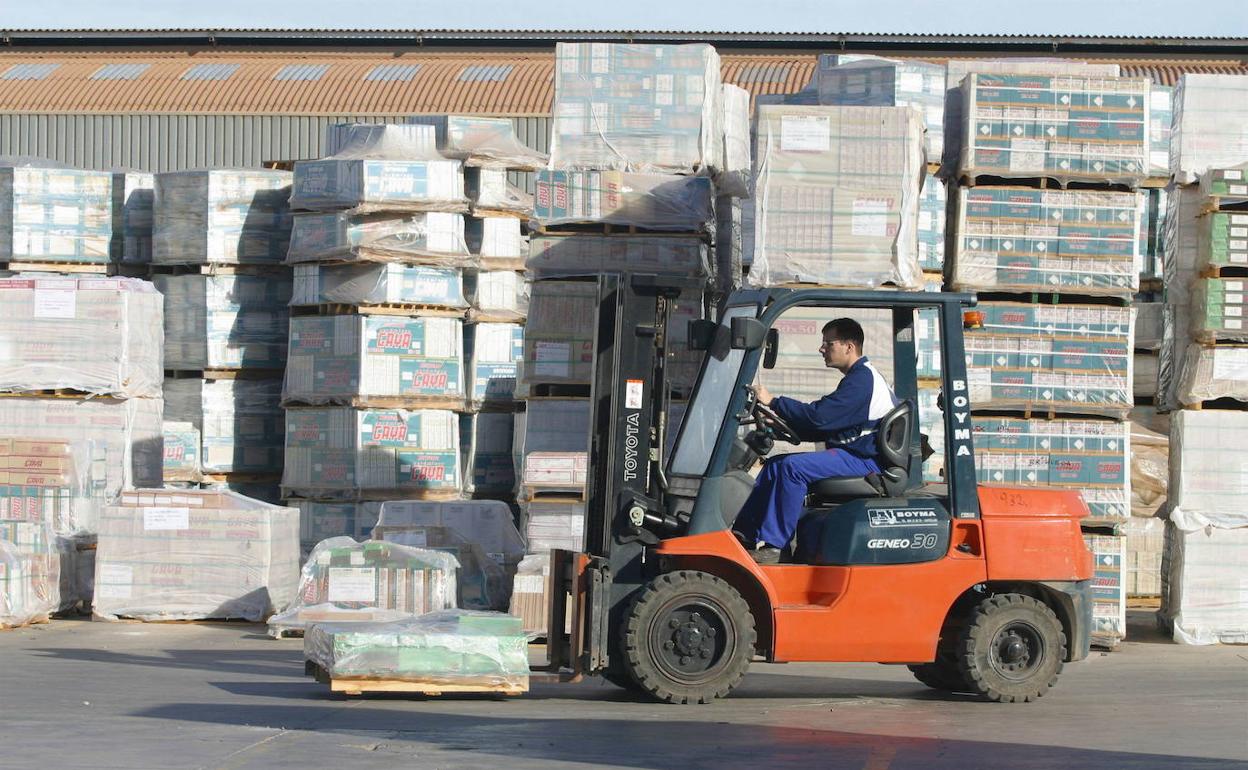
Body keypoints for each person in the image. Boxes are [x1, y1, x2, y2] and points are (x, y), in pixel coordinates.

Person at [732, 317, 898, 564]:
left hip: (865, 461)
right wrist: (782, 427)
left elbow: (820, 418)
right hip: (854, 454)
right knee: (775, 464)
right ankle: (742, 536)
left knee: (791, 469)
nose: (822, 349)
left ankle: (775, 547)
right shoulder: (858, 378)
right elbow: (827, 425)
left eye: (828, 343)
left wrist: (775, 402)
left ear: (849, 346)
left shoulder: (862, 381)